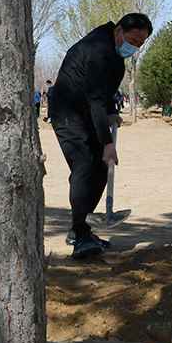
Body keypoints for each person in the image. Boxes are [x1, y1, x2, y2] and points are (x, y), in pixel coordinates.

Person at [49, 13, 152, 260]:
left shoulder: (115, 56)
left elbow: (104, 94)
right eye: (133, 39)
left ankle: (80, 228)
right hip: (68, 114)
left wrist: (112, 112)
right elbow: (95, 100)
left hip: (86, 115)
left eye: (140, 43)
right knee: (85, 166)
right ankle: (80, 236)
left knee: (101, 169)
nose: (135, 46)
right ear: (119, 31)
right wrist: (107, 143)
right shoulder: (98, 49)